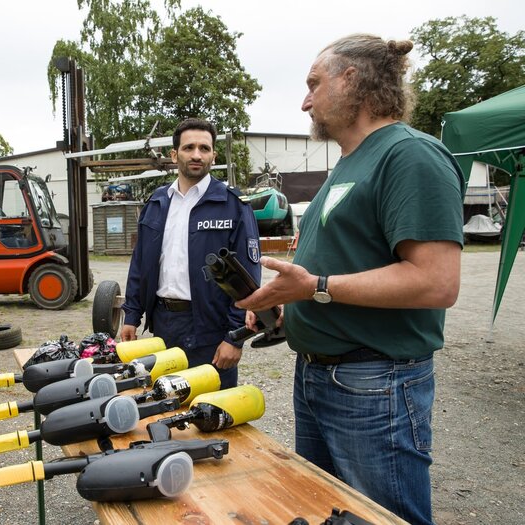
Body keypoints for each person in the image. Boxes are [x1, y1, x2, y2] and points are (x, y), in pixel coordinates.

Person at [237, 35, 464, 525]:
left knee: (384, 517)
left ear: (352, 79)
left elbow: (436, 282)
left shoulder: (411, 156)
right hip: (319, 376)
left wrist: (315, 287)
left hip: (374, 383)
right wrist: (284, 303)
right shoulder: (348, 164)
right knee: (325, 512)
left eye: (314, 84)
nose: (305, 101)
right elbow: (336, 263)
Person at [121, 118, 261, 389]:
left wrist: (235, 338)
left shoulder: (232, 205)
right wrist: (131, 316)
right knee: (163, 407)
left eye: (204, 148)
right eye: (189, 148)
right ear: (174, 155)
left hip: (210, 331)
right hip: (162, 327)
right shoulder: (157, 203)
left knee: (211, 412)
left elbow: (248, 279)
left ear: (213, 155)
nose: (197, 155)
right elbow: (141, 265)